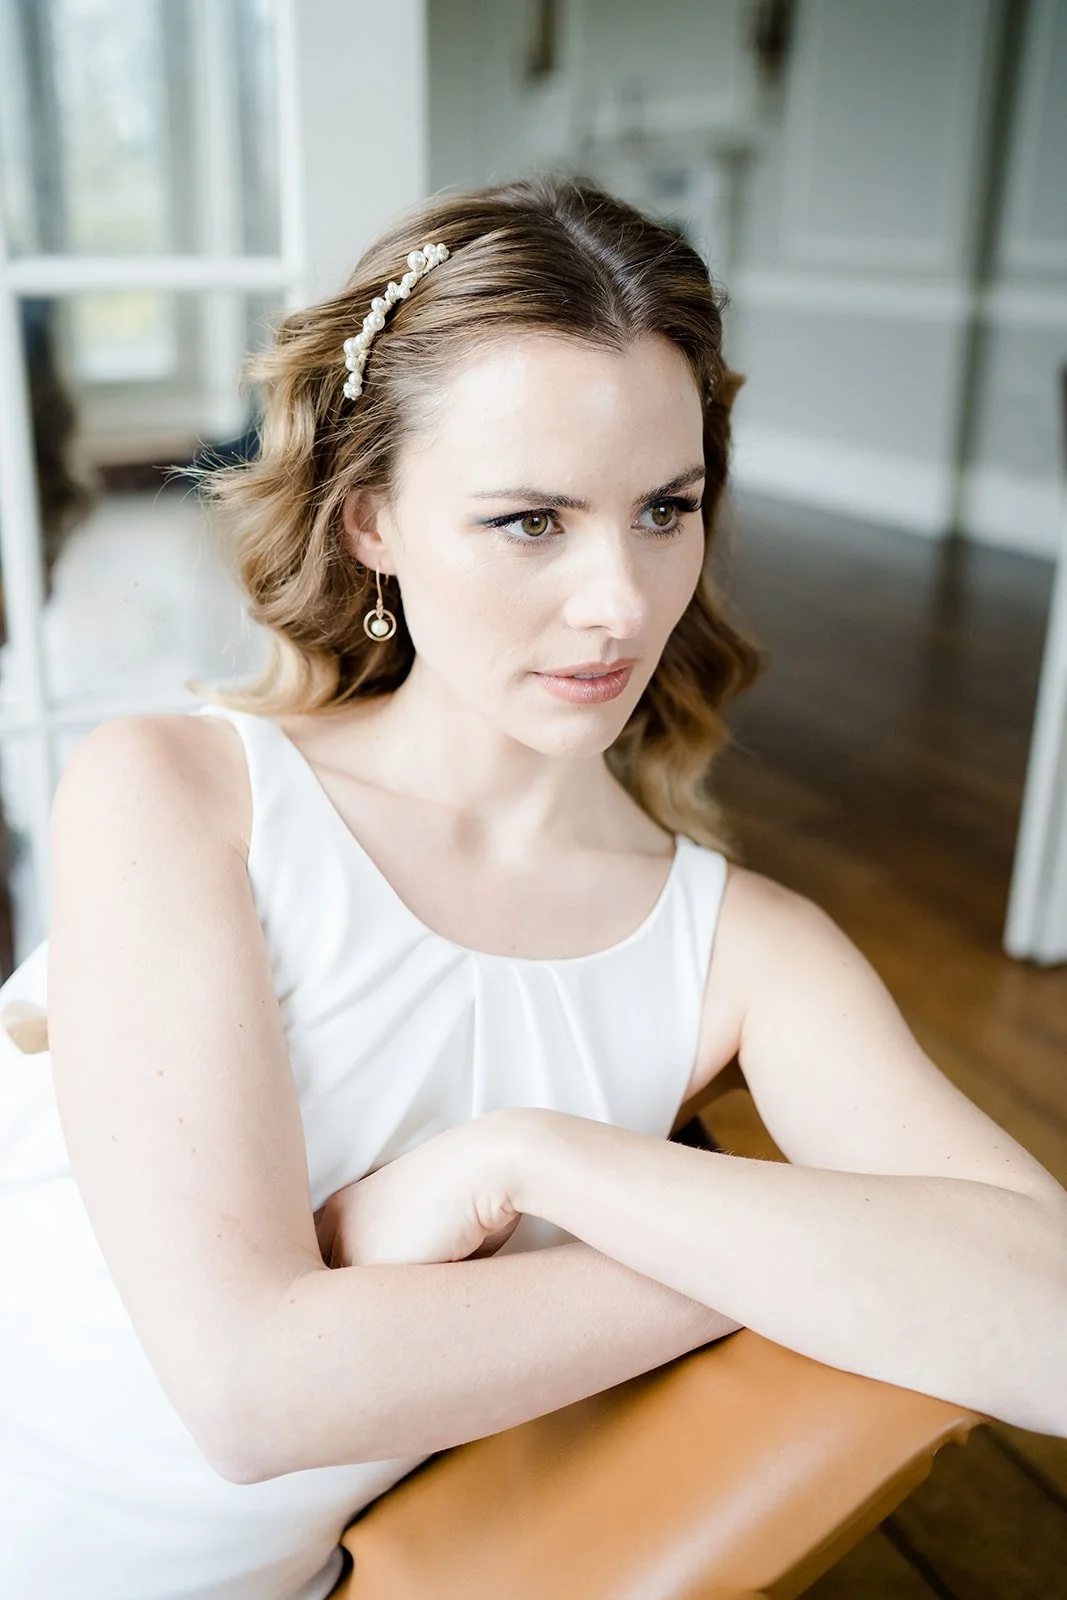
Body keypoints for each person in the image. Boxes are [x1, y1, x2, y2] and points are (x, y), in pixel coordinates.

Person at [1, 174, 1064, 1600]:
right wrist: (775, 1253)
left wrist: (544, 1160)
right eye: (527, 520)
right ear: (370, 519)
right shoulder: (178, 798)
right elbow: (253, 1395)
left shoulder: (741, 948)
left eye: (663, 509)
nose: (618, 603)